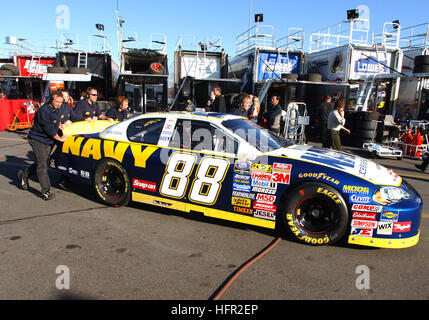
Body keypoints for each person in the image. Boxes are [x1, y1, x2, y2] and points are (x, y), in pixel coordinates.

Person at [17, 90, 69, 200]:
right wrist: (60, 139)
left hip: (48, 140)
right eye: (57, 102)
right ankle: (46, 191)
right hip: (38, 140)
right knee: (42, 166)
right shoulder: (44, 111)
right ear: (51, 100)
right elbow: (49, 129)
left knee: (40, 162)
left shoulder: (58, 109)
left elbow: (57, 120)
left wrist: (60, 126)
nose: (59, 104)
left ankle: (24, 175)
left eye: (61, 102)